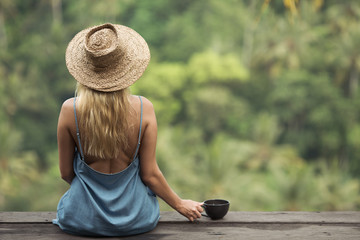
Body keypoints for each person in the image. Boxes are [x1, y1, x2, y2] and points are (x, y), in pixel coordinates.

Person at [53, 23, 203, 236]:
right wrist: (179, 204)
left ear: (85, 70)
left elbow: (66, 173)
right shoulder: (144, 109)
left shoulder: (70, 110)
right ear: (126, 68)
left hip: (81, 220)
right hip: (137, 219)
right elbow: (150, 175)